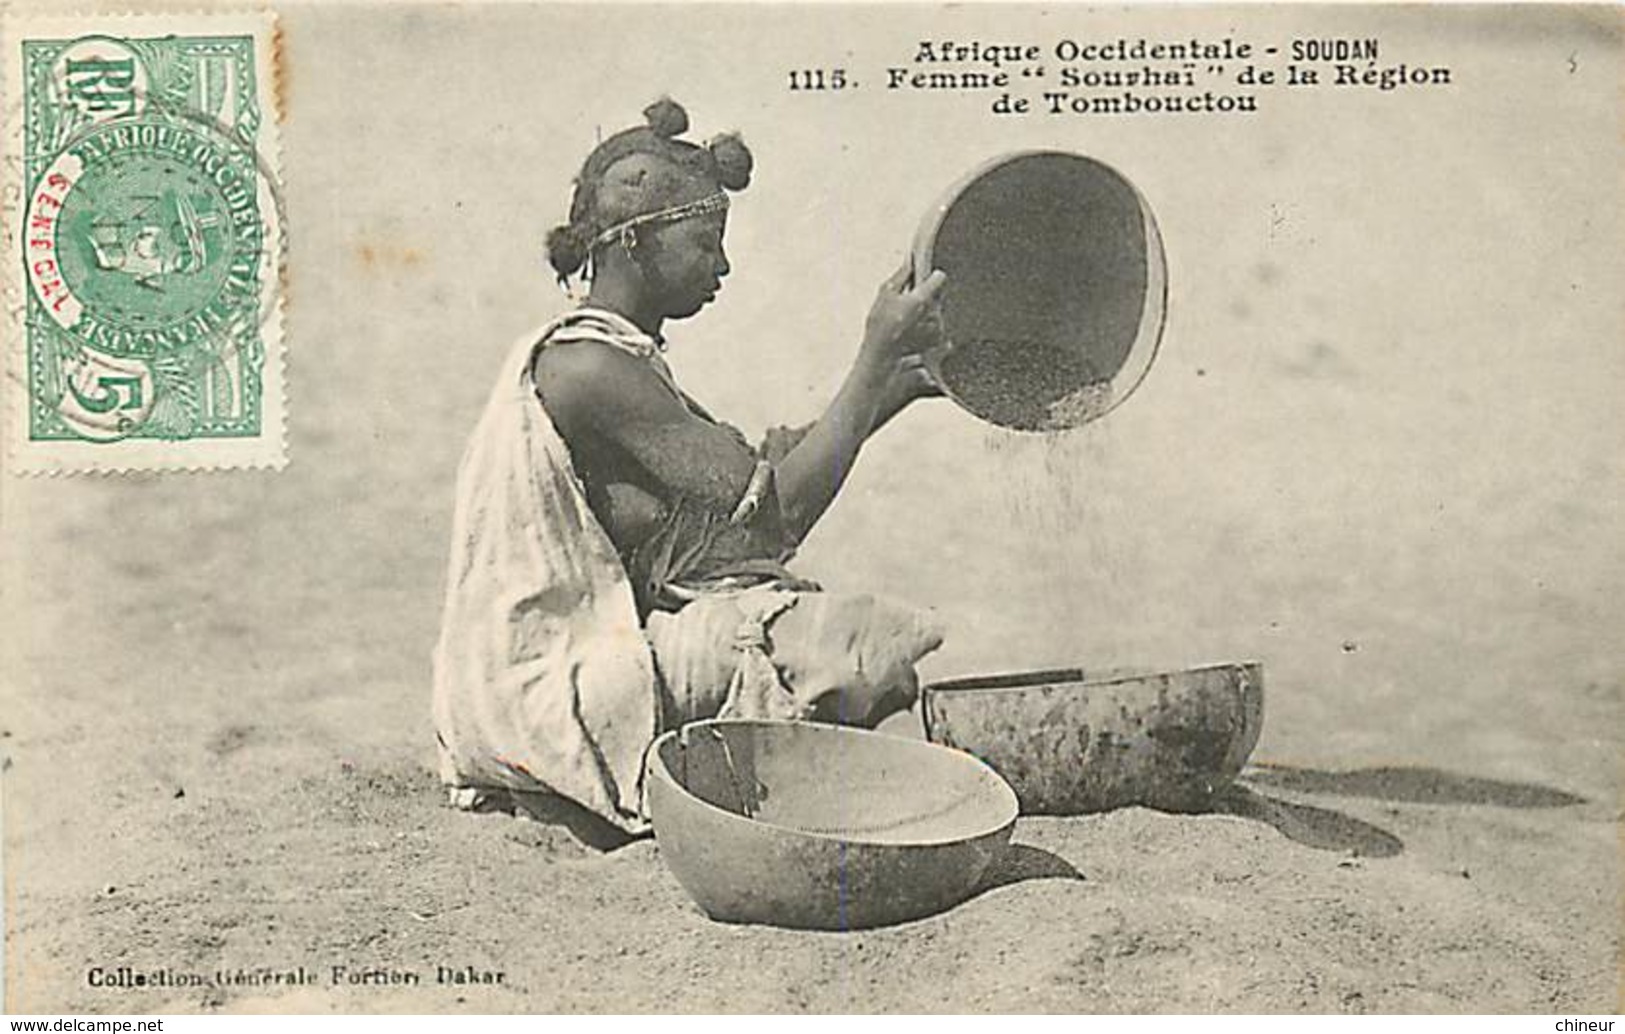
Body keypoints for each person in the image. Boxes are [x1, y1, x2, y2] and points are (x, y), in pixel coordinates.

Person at [431, 99, 949, 841]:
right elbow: (776, 515)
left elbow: (754, 482)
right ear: (637, 243)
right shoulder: (586, 369)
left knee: (820, 643)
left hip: (535, 687)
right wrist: (873, 357)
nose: (723, 265)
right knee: (832, 640)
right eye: (705, 242)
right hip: (543, 694)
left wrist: (894, 385)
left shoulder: (615, 358)